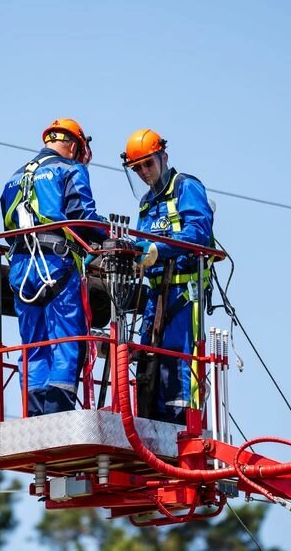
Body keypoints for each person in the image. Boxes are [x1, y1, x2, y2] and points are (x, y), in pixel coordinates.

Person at [0, 118, 100, 416]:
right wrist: (110, 238)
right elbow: (83, 216)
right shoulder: (69, 169)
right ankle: (58, 412)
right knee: (68, 339)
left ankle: (34, 414)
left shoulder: (13, 179)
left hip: (21, 270)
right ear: (72, 145)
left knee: (33, 343)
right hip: (56, 264)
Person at [121, 128, 214, 425]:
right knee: (149, 364)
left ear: (164, 156)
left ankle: (181, 428)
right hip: (154, 297)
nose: (144, 172)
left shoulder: (185, 187)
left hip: (183, 296)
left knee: (178, 367)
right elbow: (142, 244)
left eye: (148, 164)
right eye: (137, 168)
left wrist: (159, 250)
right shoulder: (147, 202)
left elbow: (197, 233)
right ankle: (152, 425)